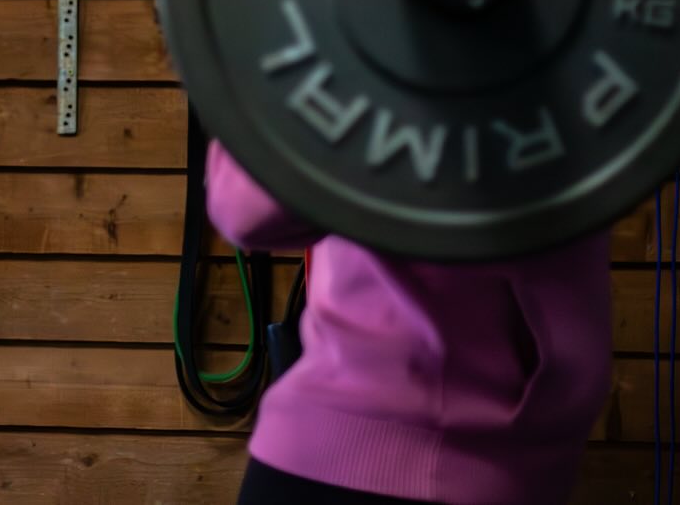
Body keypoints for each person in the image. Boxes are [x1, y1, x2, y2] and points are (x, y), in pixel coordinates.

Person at [206, 142, 613, 505]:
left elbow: (244, 206)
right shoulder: (575, 84)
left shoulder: (337, 69)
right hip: (478, 467)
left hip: (322, 450)